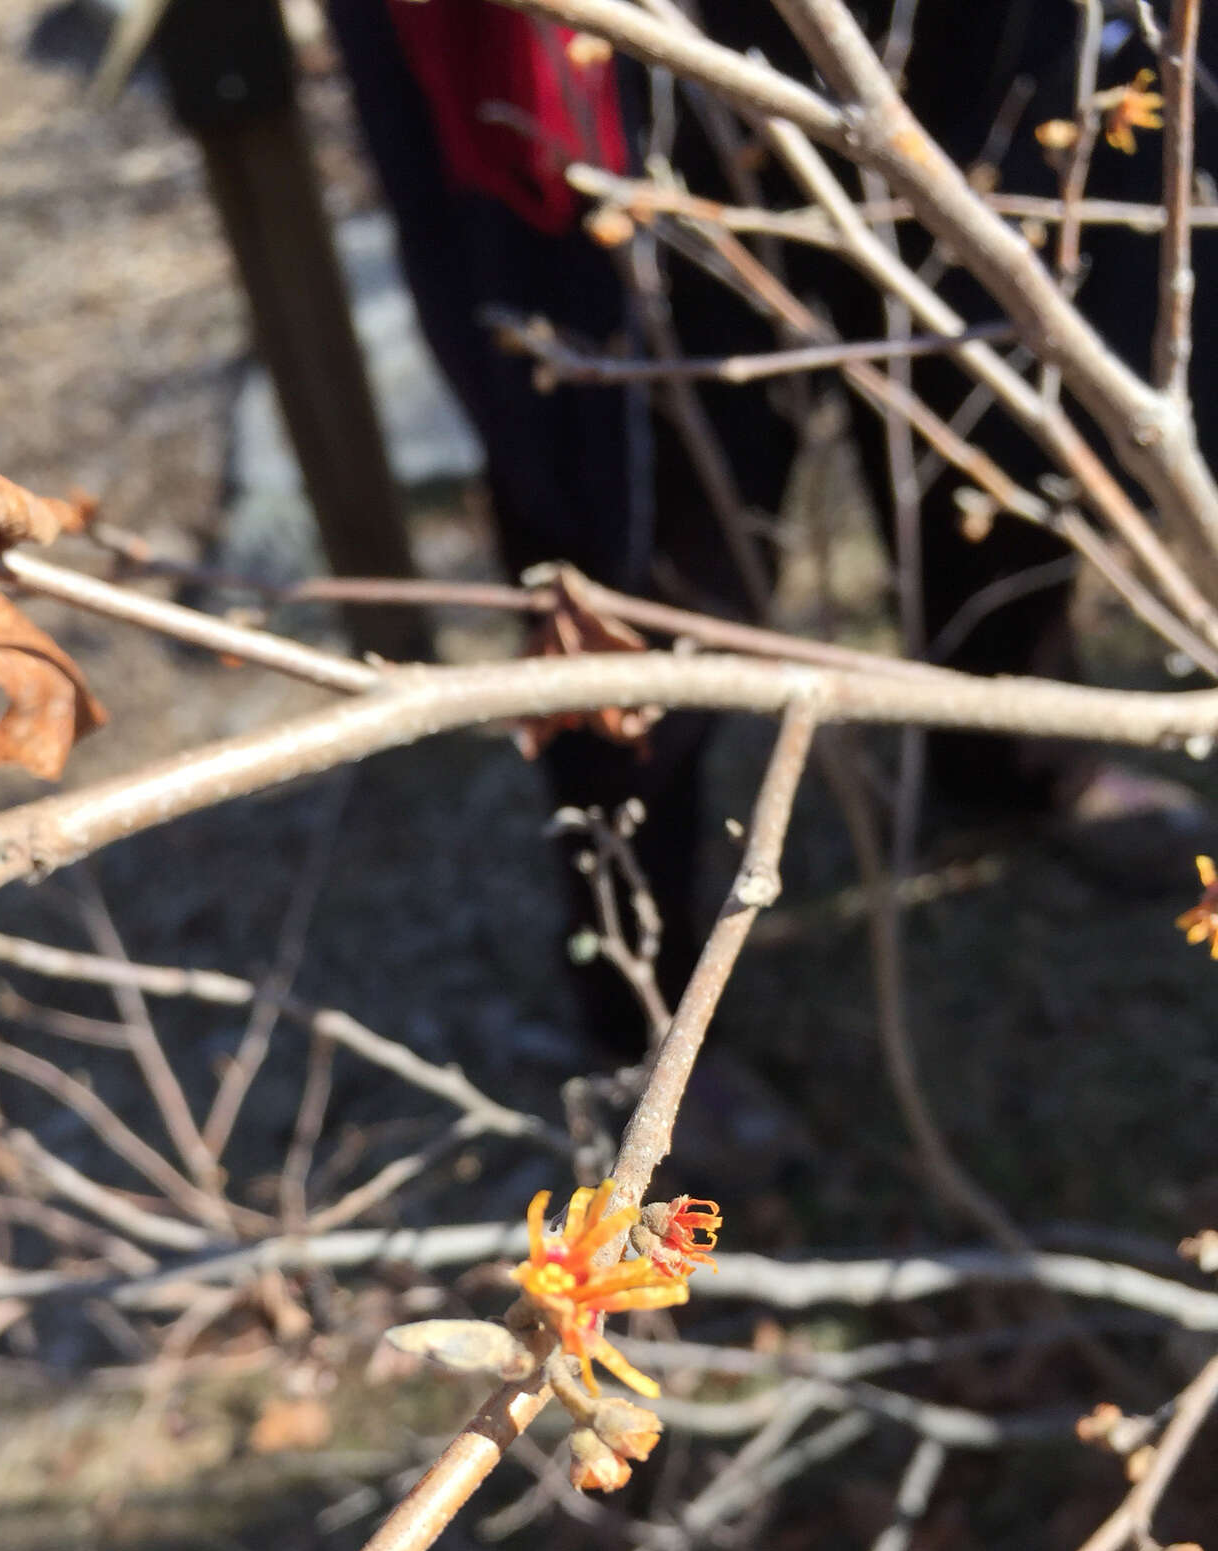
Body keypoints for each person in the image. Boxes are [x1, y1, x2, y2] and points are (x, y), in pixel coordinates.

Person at [328, 0, 1212, 1047]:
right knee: (639, 516)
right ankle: (640, 998)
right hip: (614, 52)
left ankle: (1011, 751)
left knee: (1006, 385)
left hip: (965, 33)